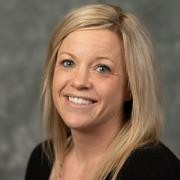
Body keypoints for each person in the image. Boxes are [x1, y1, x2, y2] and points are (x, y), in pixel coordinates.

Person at [25, 3, 180, 180]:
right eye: (68, 63)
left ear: (131, 88)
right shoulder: (42, 160)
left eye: (102, 68)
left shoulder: (154, 170)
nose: (79, 81)